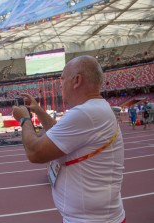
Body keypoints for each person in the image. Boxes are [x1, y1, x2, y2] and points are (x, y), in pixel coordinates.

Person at [12, 55, 126, 223]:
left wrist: (24, 119)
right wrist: (39, 111)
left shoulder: (85, 113)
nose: (61, 84)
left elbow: (35, 152)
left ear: (77, 80)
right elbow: (58, 137)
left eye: (62, 79)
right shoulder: (95, 109)